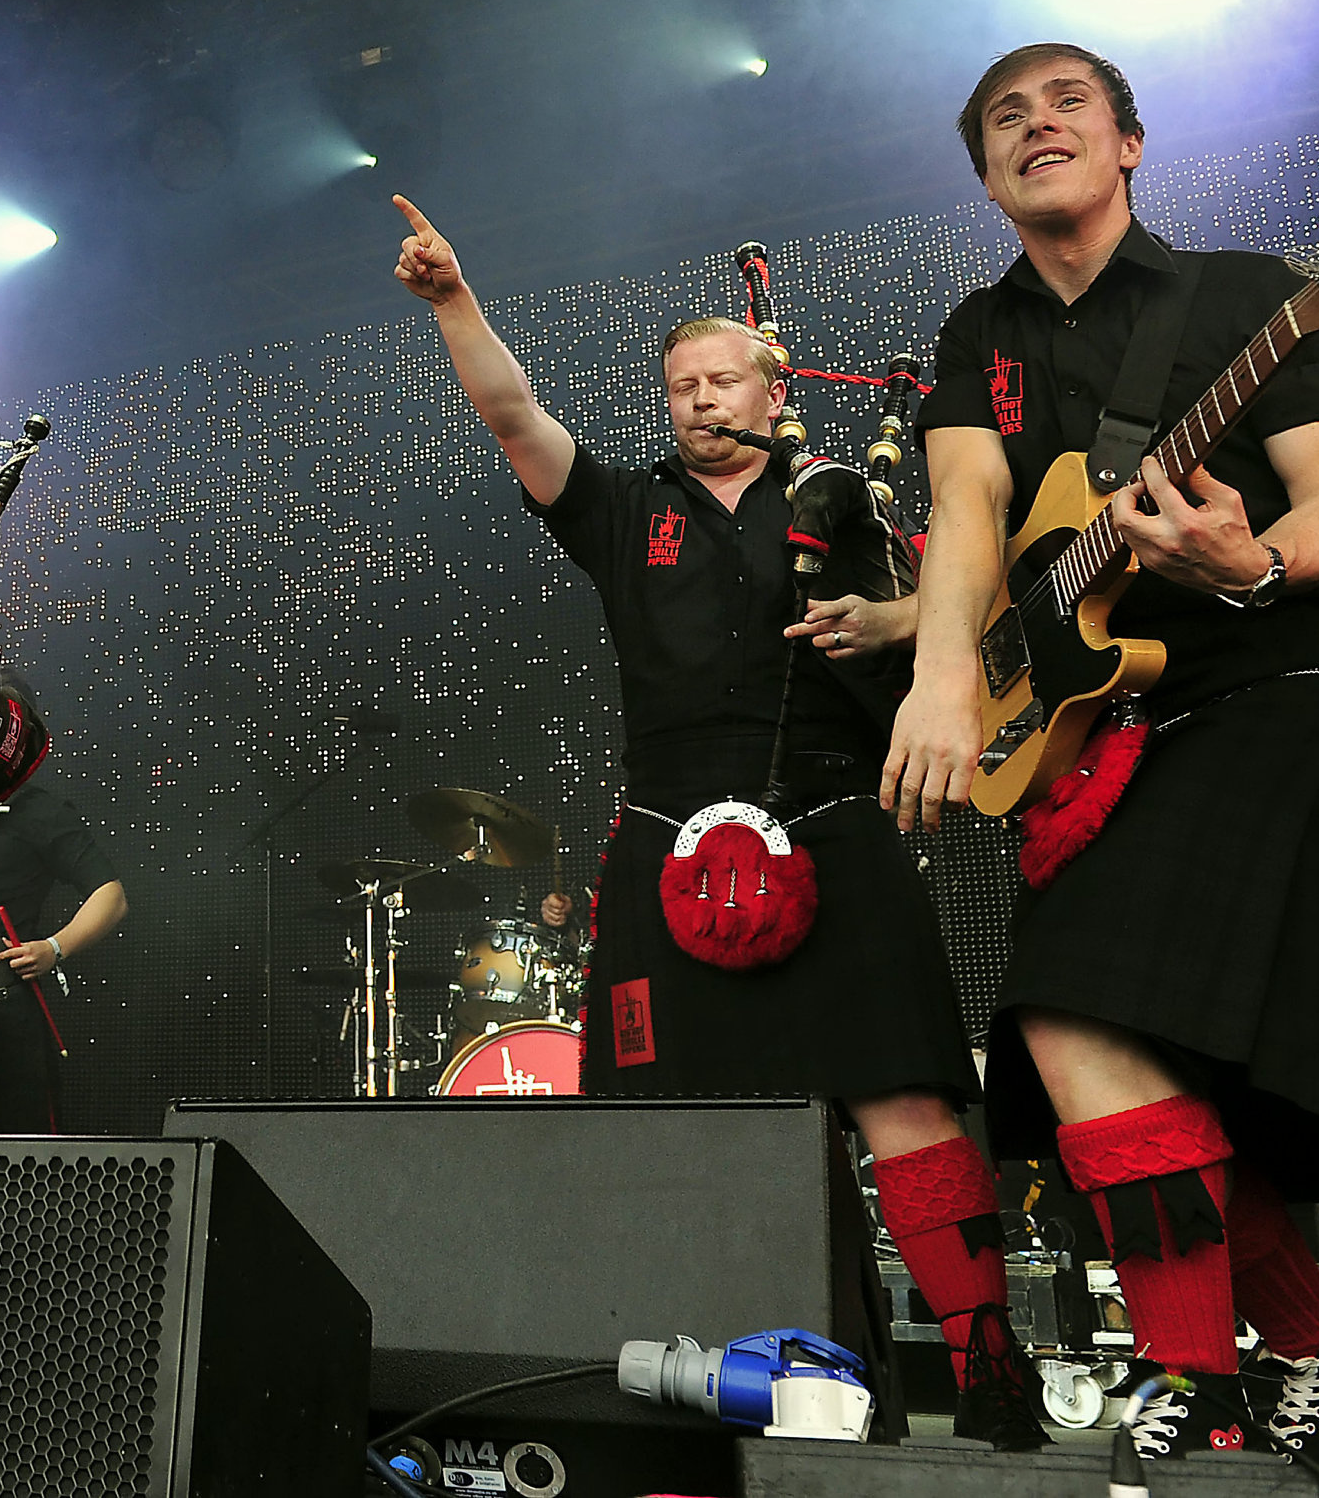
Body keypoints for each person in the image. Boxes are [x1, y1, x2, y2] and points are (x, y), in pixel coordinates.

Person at [392, 197, 1043, 1448]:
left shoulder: (844, 499)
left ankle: (988, 1363)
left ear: (772, 383)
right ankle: (728, 1383)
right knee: (684, 1125)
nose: (696, 398)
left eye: (718, 377)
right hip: (666, 829)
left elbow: (976, 597)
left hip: (837, 817)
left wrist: (901, 624)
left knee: (902, 1098)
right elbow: (511, 414)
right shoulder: (618, 509)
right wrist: (451, 303)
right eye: (678, 384)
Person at [887, 44, 1319, 1470]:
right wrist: (941, 683)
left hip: (1259, 689)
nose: (1037, 125)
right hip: (1095, 731)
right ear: (989, 175)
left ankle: (1207, 1386)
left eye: (1067, 102)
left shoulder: (1257, 294)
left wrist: (1246, 561)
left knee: (1091, 1022)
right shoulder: (979, 335)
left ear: (1128, 144)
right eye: (1004, 116)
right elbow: (965, 509)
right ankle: (1295, 1359)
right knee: (1082, 1039)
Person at [0, 770, 127, 1134]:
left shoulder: (37, 809)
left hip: (3, 1006)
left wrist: (54, 948)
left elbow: (110, 895)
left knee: (20, 1145)